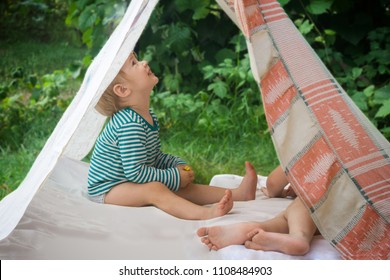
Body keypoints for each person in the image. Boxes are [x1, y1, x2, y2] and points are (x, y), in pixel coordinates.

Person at [87, 51, 258, 220]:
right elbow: (136, 172)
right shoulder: (129, 124)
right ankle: (207, 213)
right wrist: (174, 176)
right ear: (123, 90)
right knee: (155, 188)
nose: (144, 62)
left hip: (127, 181)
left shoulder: (147, 116)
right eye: (134, 63)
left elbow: (152, 157)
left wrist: (176, 164)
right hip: (108, 190)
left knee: (179, 187)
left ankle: (240, 194)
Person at [197, 165, 318, 256]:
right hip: (334, 223)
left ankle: (298, 237)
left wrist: (273, 191)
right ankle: (259, 229)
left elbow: (273, 182)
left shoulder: (318, 144)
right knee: (301, 219)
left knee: (305, 202)